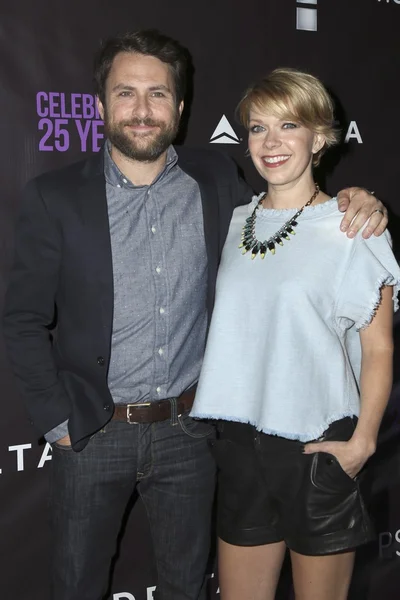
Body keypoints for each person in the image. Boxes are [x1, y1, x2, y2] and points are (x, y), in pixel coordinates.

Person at [2, 28, 387, 600]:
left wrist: (361, 198)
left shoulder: (217, 182)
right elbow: (22, 319)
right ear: (102, 103)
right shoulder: (53, 197)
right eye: (125, 93)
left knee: (186, 585)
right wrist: (60, 423)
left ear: (179, 109)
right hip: (92, 432)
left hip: (190, 434)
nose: (141, 109)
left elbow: (300, 214)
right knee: (75, 585)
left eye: (157, 94)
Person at [190, 68, 400, 600]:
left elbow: (378, 346)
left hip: (316, 447)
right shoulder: (236, 220)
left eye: (289, 125)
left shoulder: (355, 228)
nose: (272, 142)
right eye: (258, 128)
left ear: (321, 138)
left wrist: (363, 442)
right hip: (240, 445)